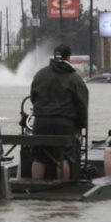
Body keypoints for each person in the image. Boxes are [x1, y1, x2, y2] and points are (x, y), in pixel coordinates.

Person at [29, 44, 89, 180]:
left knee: (39, 156)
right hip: (64, 123)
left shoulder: (40, 74)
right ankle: (61, 187)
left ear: (54, 55)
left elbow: (33, 97)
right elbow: (82, 105)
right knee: (63, 156)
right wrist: (80, 126)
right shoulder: (74, 78)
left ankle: (35, 186)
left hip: (41, 122)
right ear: (69, 57)